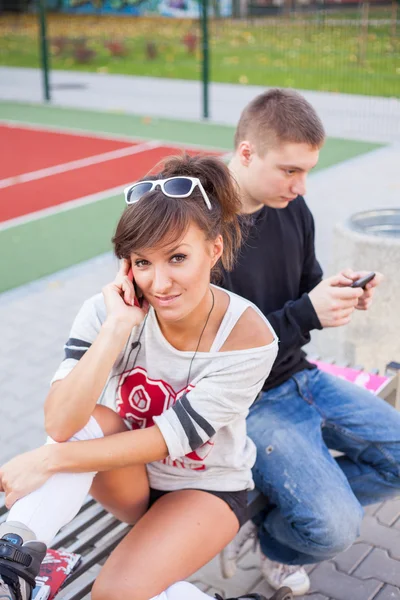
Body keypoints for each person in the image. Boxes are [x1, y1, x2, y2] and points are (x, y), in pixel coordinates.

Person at [0, 155, 293, 600]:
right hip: (130, 478)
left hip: (205, 488)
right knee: (83, 418)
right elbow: (60, 424)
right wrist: (117, 329)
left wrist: (47, 460)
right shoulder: (108, 311)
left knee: (115, 594)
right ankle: (11, 563)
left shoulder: (248, 336)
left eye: (177, 257)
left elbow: (168, 438)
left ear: (213, 250)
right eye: (142, 262)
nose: (159, 283)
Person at [219, 88, 400, 596]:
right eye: (290, 170)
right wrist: (306, 312)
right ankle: (277, 543)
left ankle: (285, 513)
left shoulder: (292, 208)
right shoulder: (201, 231)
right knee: (334, 529)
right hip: (246, 403)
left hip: (300, 376)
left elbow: (306, 287)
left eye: (307, 171)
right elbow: (218, 356)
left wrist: (337, 292)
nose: (300, 186)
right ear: (247, 152)